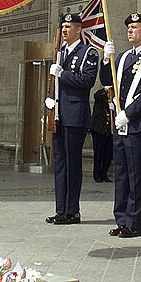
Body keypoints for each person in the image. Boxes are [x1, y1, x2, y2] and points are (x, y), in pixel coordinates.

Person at [99, 13, 141, 238]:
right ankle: (122, 219)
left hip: (137, 123)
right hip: (120, 125)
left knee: (136, 175)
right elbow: (107, 81)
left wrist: (128, 114)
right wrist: (106, 60)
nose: (130, 30)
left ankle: (136, 222)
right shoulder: (123, 57)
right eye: (128, 27)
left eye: (135, 27)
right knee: (121, 174)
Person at [44, 13, 98, 225]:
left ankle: (72, 211)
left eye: (68, 27)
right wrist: (48, 99)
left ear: (78, 29)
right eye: (63, 27)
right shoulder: (59, 53)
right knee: (60, 164)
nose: (65, 30)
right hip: (57, 114)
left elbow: (88, 81)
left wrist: (63, 74)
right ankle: (61, 209)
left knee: (72, 164)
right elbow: (52, 83)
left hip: (75, 116)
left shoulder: (88, 52)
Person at [89, 88, 113, 183]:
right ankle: (97, 175)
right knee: (98, 153)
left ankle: (104, 174)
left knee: (108, 154)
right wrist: (105, 90)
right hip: (99, 129)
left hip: (109, 130)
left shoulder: (114, 101)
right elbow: (96, 95)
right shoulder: (100, 98)